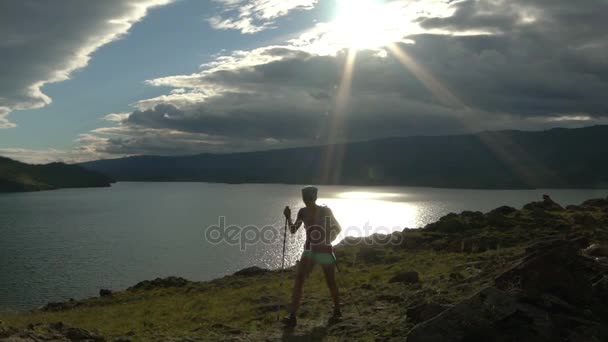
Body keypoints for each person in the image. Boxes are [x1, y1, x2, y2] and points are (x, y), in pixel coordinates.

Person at [282, 186, 341, 327]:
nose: (306, 200)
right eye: (305, 197)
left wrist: (327, 240)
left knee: (329, 281)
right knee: (300, 280)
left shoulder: (325, 210)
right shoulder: (303, 212)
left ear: (314, 197)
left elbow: (337, 228)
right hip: (311, 250)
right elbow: (293, 230)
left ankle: (337, 309)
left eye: (308, 197)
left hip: (321, 250)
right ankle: (293, 316)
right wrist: (288, 217)